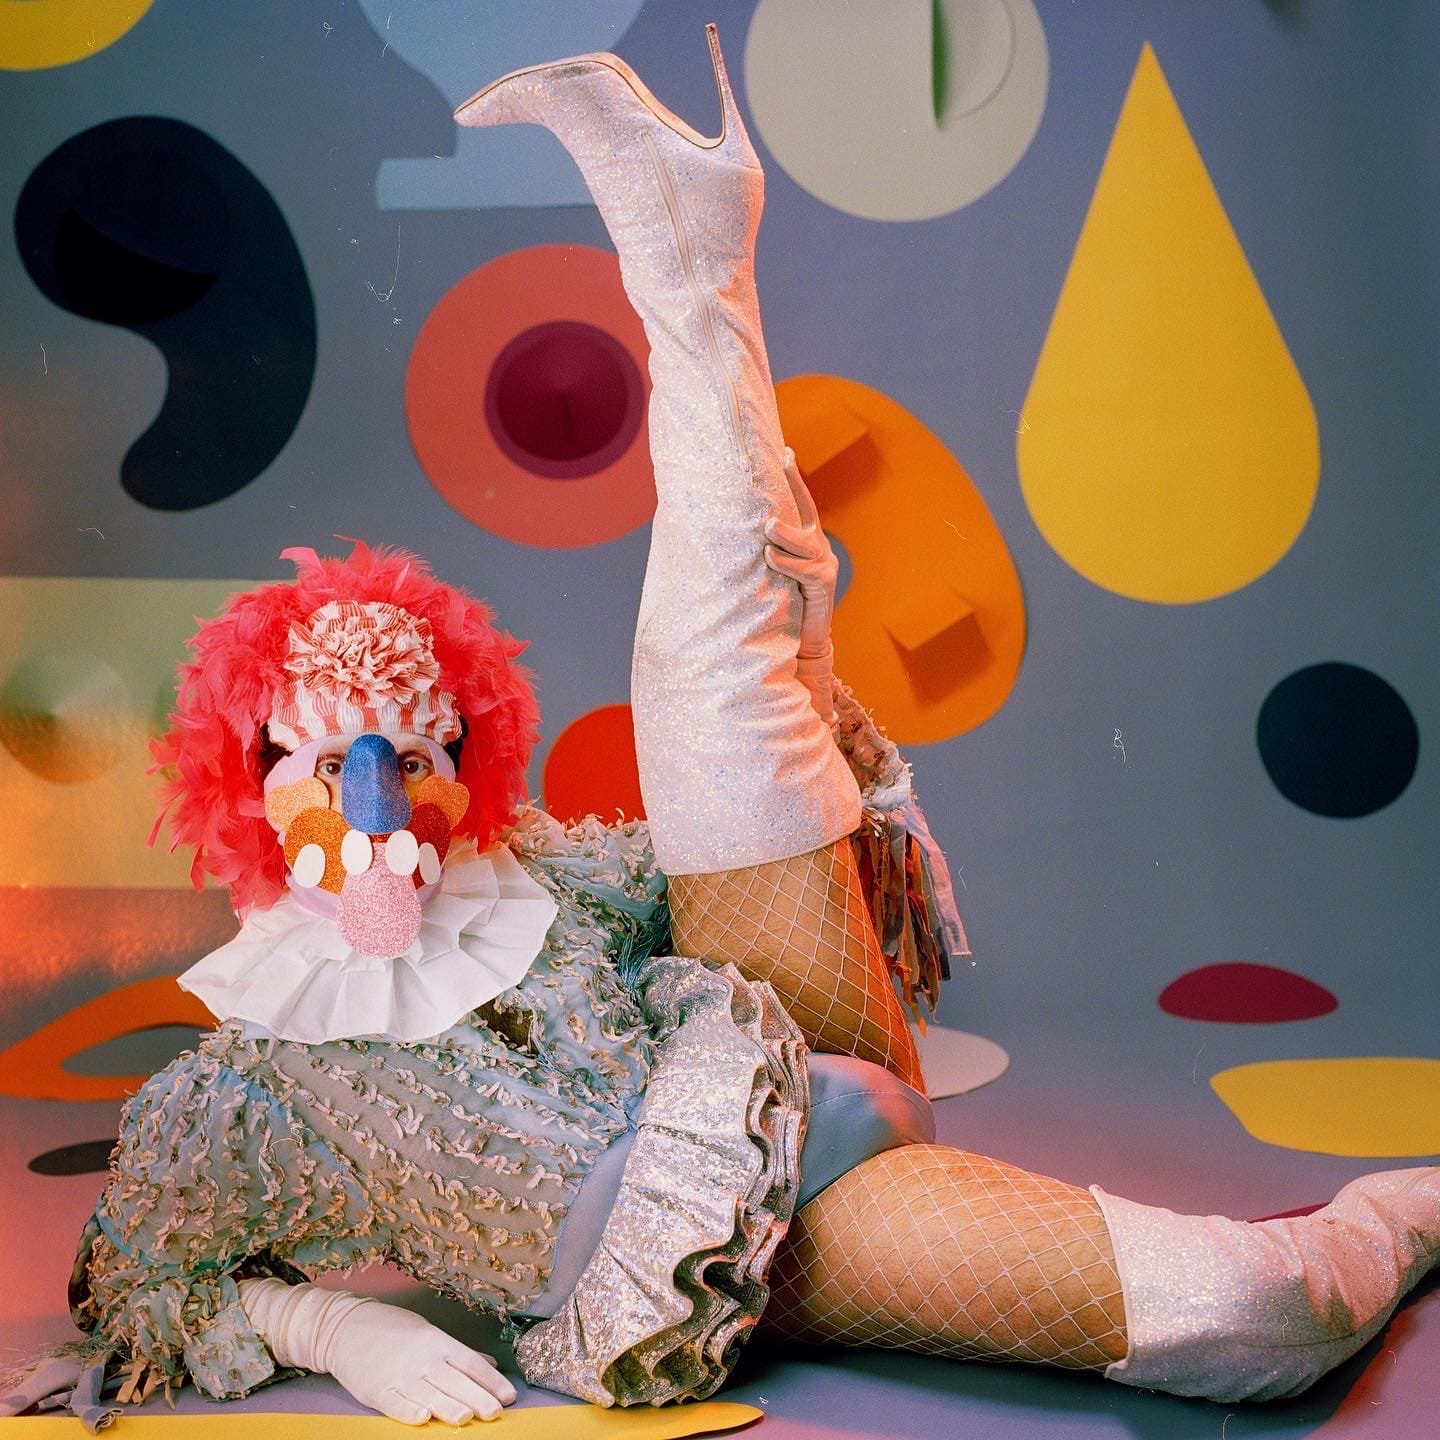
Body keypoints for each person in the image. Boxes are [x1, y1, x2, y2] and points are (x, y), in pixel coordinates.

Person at [13, 23, 1437, 1429]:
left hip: (793, 1053)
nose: (382, 798)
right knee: (1255, 1309)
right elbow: (131, 1281)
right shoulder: (240, 1088)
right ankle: (1410, 1210)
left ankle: (689, 255)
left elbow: (724, 848)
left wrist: (793, 678)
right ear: (254, 782)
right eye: (334, 760)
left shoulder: (533, 879)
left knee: (705, 702)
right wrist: (338, 1326)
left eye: (419, 748)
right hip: (744, 1254)